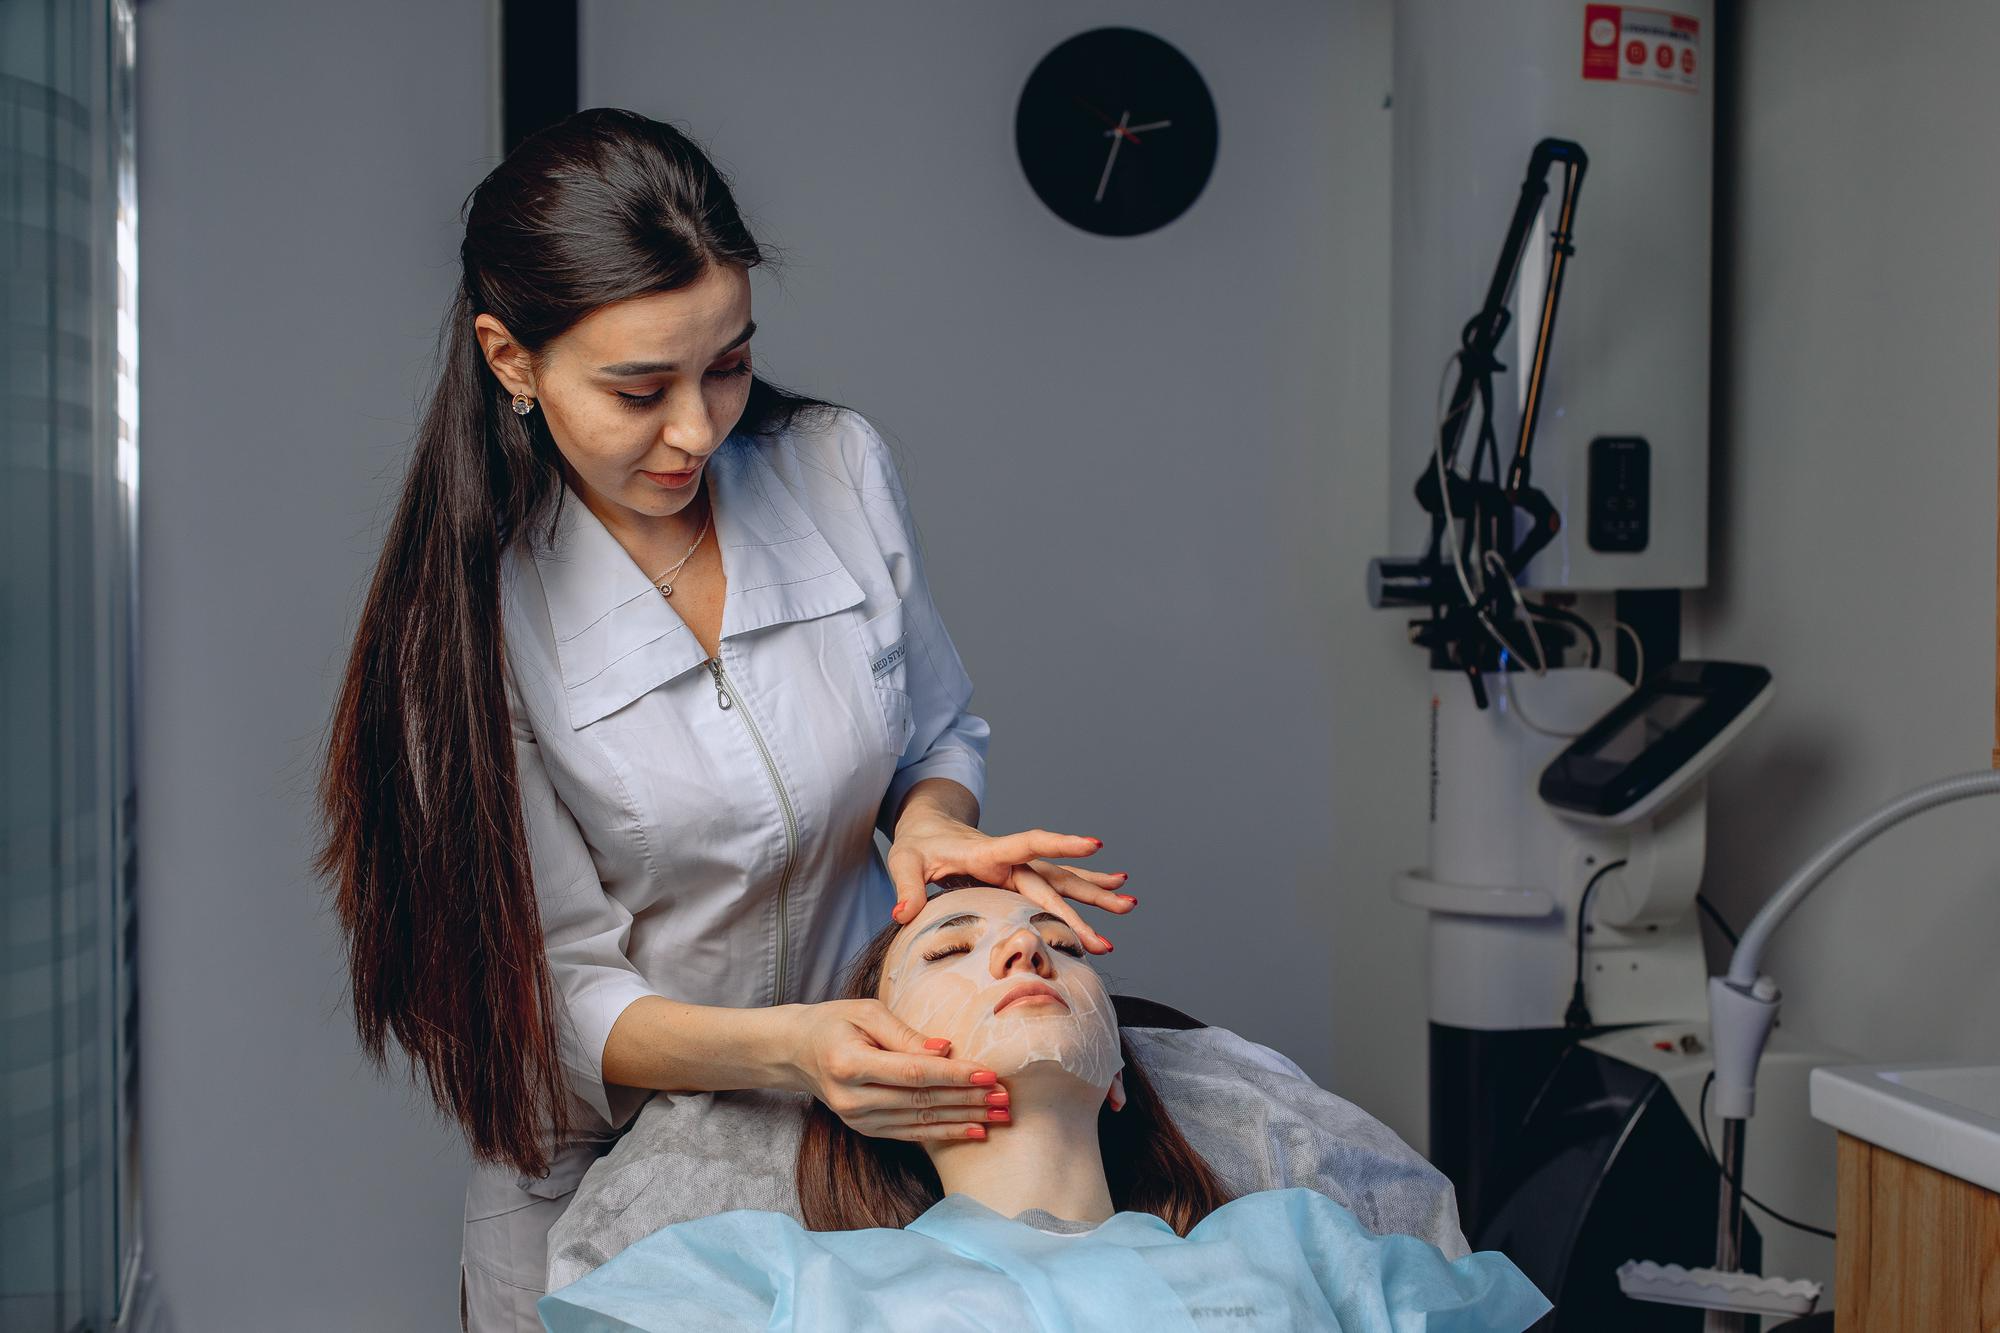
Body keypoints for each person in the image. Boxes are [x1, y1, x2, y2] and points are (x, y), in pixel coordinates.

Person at [309, 108, 1136, 1332]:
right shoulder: (473, 618)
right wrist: (789, 1049)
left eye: (729, 364)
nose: (698, 429)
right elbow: (556, 995)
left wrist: (929, 828)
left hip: (853, 1133)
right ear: (509, 357)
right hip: (602, 1157)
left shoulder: (832, 467)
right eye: (640, 389)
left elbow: (935, 734)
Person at [537, 881, 1553, 1331]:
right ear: (865, 1064)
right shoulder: (775, 1283)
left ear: (1116, 1073)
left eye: (1058, 943)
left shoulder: (1302, 1249)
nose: (1024, 948)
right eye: (947, 950)